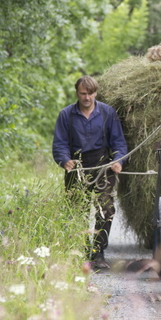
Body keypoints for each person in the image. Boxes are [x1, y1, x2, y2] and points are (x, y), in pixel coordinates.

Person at [52, 75, 128, 270]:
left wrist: (118, 160)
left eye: (91, 93)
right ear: (77, 93)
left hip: (103, 165)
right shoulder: (66, 115)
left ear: (96, 93)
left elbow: (118, 142)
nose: (87, 97)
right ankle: (79, 252)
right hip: (76, 167)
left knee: (106, 209)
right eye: (83, 94)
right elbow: (60, 144)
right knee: (76, 210)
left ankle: (97, 253)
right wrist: (65, 161)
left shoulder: (107, 113)